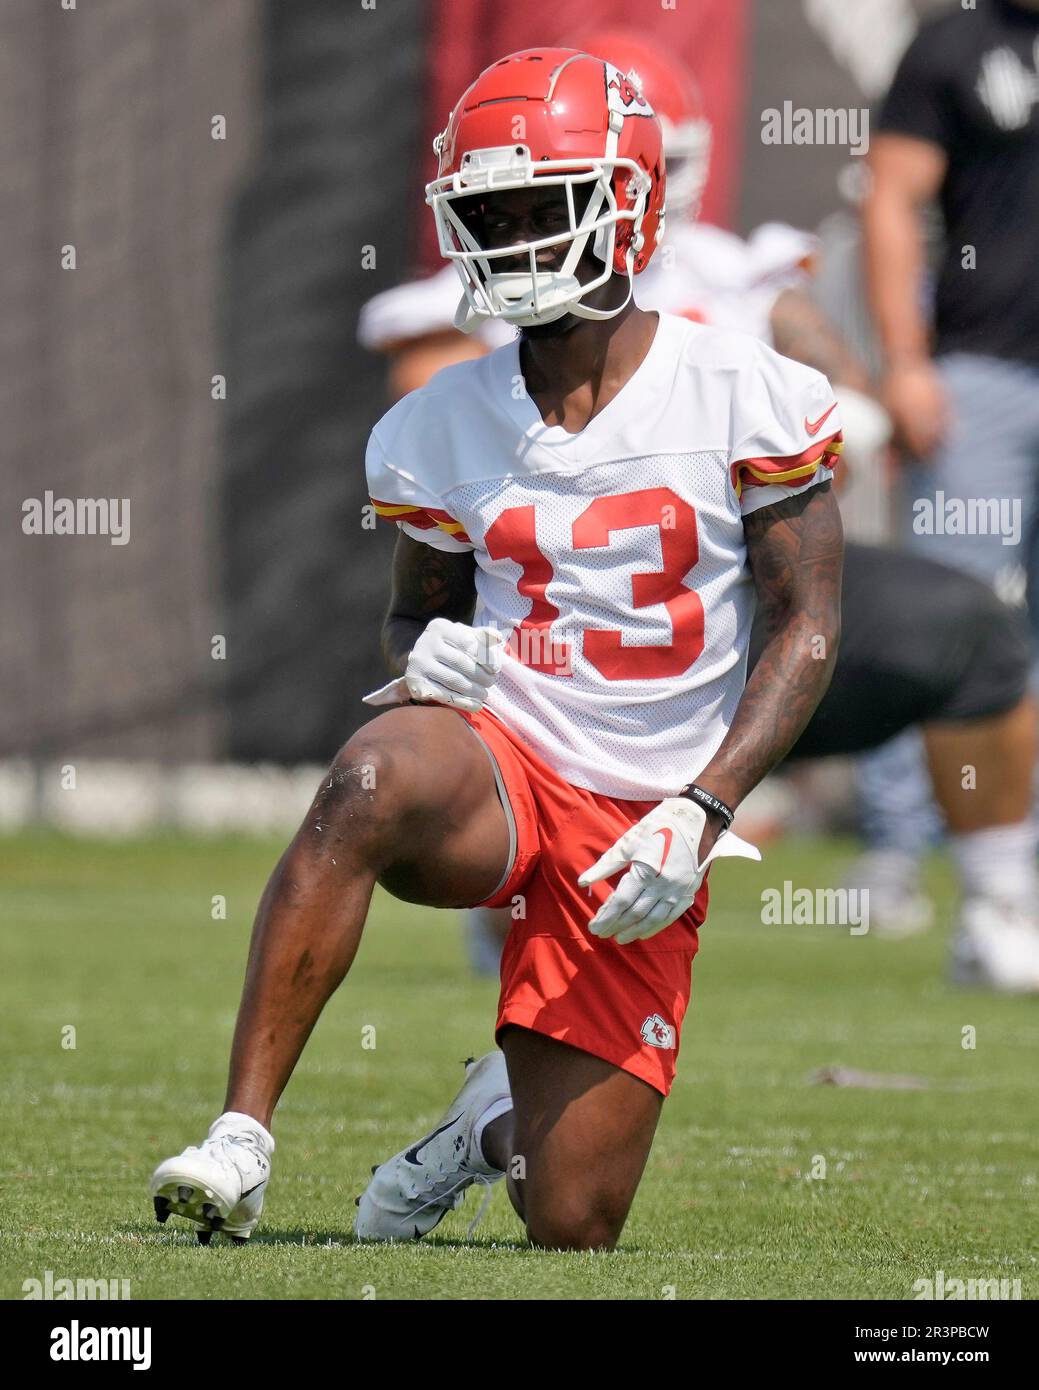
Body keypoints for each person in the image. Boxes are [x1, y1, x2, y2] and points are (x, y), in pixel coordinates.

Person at [150, 47, 844, 1250]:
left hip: (646, 821)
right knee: (372, 770)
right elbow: (414, 616)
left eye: (543, 208)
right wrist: (431, 658)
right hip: (504, 772)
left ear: (625, 205)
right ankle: (239, 1138)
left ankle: (482, 1127)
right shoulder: (435, 424)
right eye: (490, 214)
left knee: (572, 1220)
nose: (514, 238)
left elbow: (808, 625)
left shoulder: (745, 390)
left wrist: (706, 805)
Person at [361, 32, 1039, 984]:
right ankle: (515, 875)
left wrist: (846, 401)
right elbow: (422, 409)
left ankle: (1001, 901)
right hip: (559, 634)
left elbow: (828, 376)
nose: (637, 187)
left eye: (664, 161)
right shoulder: (499, 267)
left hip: (724, 607)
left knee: (969, 629)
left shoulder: (742, 279)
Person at [857, 0, 1039, 926]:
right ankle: (895, 853)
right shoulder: (957, 44)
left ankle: (1013, 875)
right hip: (979, 377)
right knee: (944, 621)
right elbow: (890, 195)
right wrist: (904, 361)